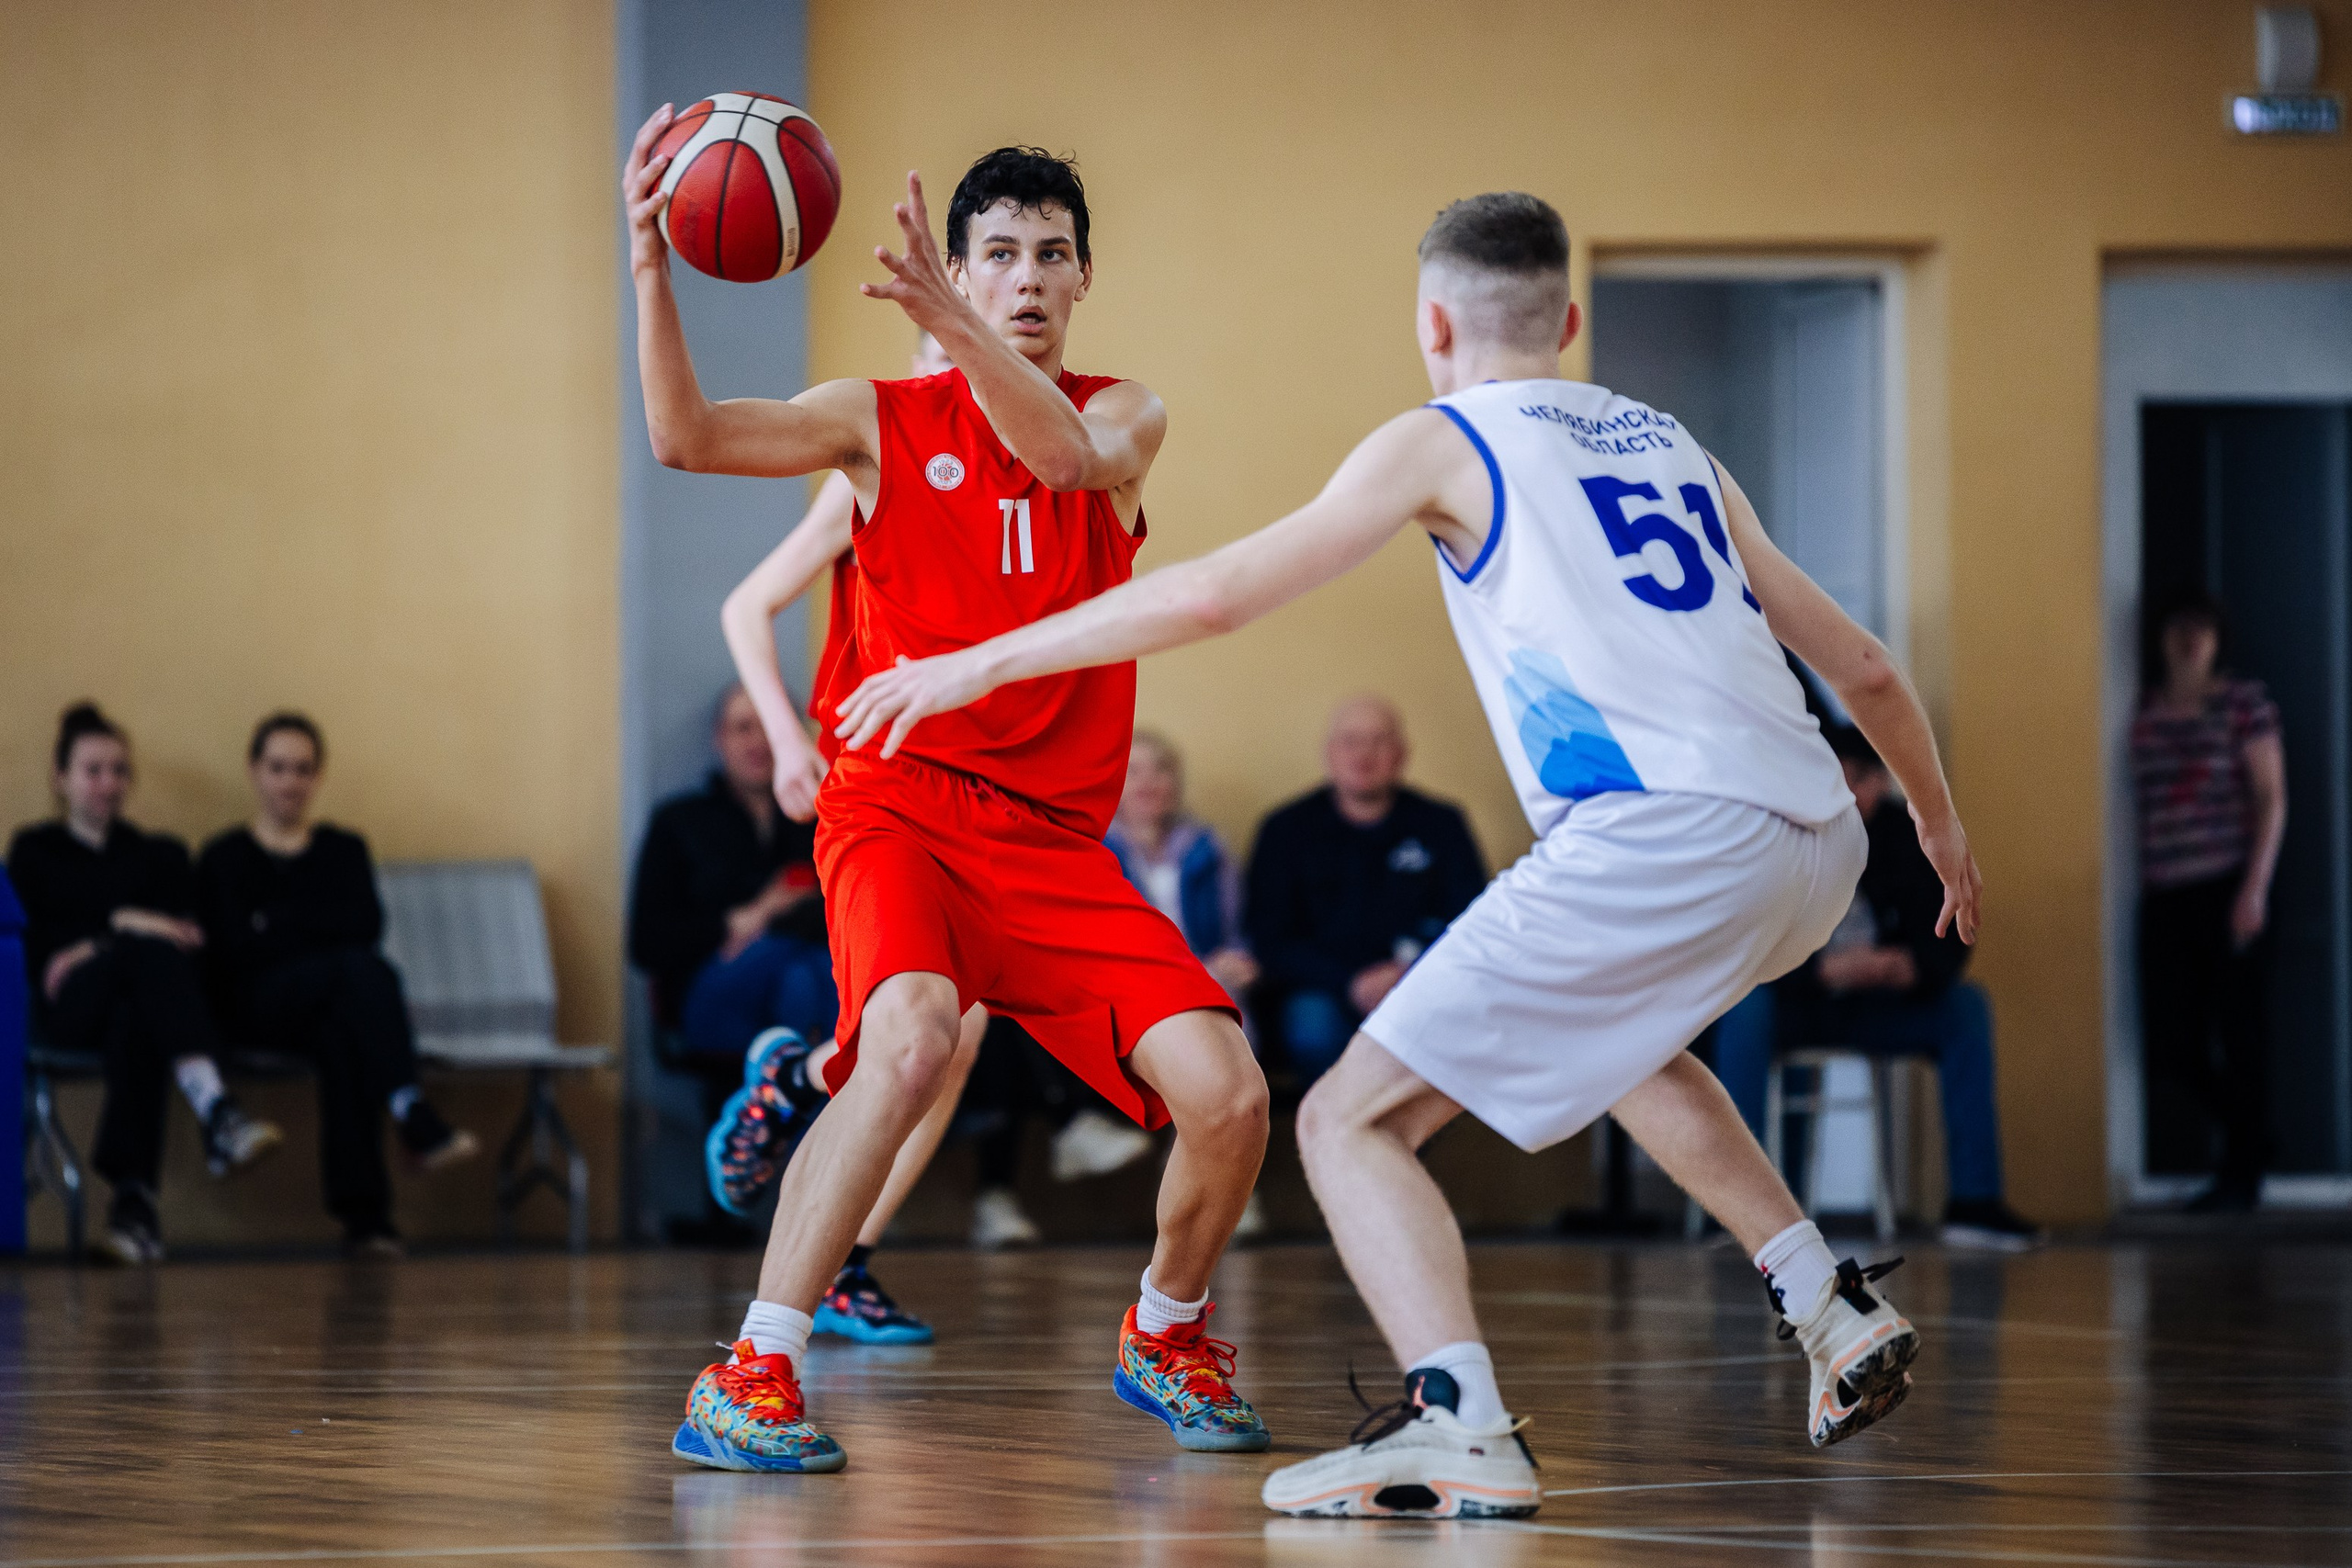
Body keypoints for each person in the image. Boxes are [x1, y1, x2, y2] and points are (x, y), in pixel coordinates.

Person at [833, 191, 1983, 1519]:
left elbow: (1212, 594)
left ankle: (1461, 1420)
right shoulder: (1676, 445)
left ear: (1431, 321)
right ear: (1567, 319)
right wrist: (1941, 832)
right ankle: (1824, 1300)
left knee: (1345, 1117)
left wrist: (975, 659)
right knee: (1619, 1038)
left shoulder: (1442, 439)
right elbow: (1869, 668)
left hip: (1662, 833)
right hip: (1820, 844)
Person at [627, 103, 1273, 1455]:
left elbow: (1060, 459)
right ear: (962, 272)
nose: (1028, 275)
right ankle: (749, 1369)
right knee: (912, 1040)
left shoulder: (1124, 414)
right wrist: (651, 264)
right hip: (899, 809)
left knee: (1230, 1094)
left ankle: (1167, 1327)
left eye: (1051, 253)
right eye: (998, 253)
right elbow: (686, 439)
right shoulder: (874, 419)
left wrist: (959, 324)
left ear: (1084, 276)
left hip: (1052, 843)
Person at [690, 331, 985, 1343]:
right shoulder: (880, 459)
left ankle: (803, 1113)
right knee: (917, 1038)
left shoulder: (1042, 468)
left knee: (952, 1045)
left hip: (987, 796)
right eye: (948, 350)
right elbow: (748, 605)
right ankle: (811, 1271)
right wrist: (785, 743)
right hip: (885, 792)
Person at [1713, 726, 2041, 1249]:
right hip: (1802, 1002)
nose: (1846, 791)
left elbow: (1952, 933)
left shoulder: (1913, 837)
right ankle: (1738, 1209)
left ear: (1884, 781)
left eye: (1860, 777)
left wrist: (1909, 965)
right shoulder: (1784, 833)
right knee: (1744, 1009)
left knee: (1965, 1007)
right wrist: (1823, 972)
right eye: (1835, 776)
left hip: (1881, 1005)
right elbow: (1745, 937)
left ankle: (1975, 1205)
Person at [7, 704, 283, 1265]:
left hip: (136, 1008)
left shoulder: (159, 854)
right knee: (145, 962)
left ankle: (134, 1209)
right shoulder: (35, 851)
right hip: (69, 1009)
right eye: (93, 770)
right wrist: (124, 925)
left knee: (140, 1012)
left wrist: (98, 937)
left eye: (119, 770)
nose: (108, 784)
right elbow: (39, 950)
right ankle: (215, 1107)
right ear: (62, 778)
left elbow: (184, 938)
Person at [195, 713, 479, 1257]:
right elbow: (234, 952)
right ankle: (410, 1110)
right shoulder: (224, 857)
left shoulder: (343, 849)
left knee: (347, 1030)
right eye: (278, 768)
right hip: (254, 1009)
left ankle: (367, 1218)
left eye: (302, 769)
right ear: (255, 771)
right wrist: (310, 930)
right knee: (360, 975)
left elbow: (365, 927)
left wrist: (274, 922)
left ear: (319, 776)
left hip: (327, 1006)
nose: (289, 782)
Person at [2131, 589, 2286, 1213]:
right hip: (2166, 891)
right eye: (2180, 626)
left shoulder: (2244, 704)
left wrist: (2255, 887)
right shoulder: (2143, 709)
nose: (2191, 639)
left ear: (2219, 638)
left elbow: (2272, 795)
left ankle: (2243, 1167)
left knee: (2242, 1033)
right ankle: (2255, 1137)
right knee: (2171, 1041)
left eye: (2204, 628)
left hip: (2228, 886)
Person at [1245, 697, 1486, 1087]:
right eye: (1350, 741)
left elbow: (1471, 921)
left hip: (1417, 982)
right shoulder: (1284, 829)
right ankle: (1343, 1134)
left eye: (1379, 741)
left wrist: (1405, 970)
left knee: (1442, 1034)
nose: (1363, 755)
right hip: (1321, 988)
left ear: (1402, 754)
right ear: (1329, 753)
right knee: (1313, 1032)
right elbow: (1268, 937)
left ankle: (1393, 1139)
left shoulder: (1442, 824)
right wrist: (1350, 981)